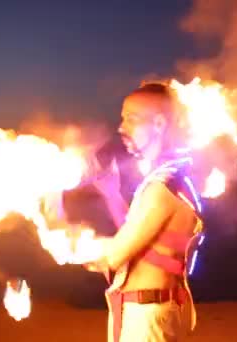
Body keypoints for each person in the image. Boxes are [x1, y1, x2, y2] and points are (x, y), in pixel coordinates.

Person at [85, 83, 204, 341]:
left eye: (131, 118)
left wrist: (54, 224)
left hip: (148, 320)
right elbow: (141, 242)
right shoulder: (170, 180)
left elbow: (113, 256)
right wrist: (112, 193)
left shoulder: (160, 188)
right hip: (155, 312)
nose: (121, 127)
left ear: (159, 124)